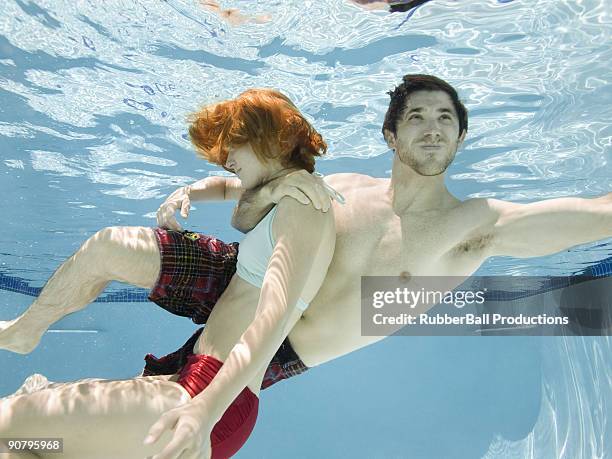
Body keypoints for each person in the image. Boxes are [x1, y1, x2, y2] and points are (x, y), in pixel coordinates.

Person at [2, 75, 611, 458]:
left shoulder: (476, 225)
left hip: (272, 343)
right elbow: (260, 184)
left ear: (460, 139)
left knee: (35, 439)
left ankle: (47, 413)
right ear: (391, 137)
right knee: (109, 245)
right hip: (239, 277)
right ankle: (30, 335)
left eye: (446, 118)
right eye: (417, 118)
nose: (432, 128)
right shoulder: (343, 185)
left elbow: (581, 216)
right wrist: (203, 190)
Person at [0, 88, 336, 459]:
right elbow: (229, 187)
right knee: (21, 448)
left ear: (267, 137)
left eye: (233, 146)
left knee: (5, 423)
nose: (227, 160)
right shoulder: (278, 193)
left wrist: (206, 411)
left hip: (208, 400)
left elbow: (272, 320)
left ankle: (30, 386)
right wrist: (186, 192)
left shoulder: (304, 207)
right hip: (197, 384)